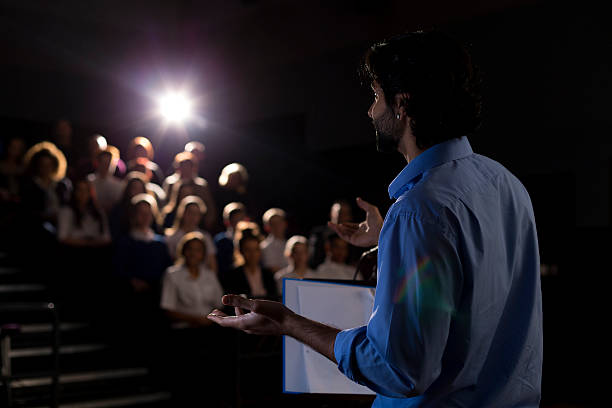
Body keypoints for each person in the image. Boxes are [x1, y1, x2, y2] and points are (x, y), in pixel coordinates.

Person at [208, 31, 542, 407]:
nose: (370, 110)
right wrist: (392, 241)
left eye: (376, 96)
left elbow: (398, 370)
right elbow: (474, 279)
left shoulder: (419, 210)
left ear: (402, 104)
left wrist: (287, 323)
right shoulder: (506, 183)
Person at [160, 231, 223, 328]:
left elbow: (219, 303)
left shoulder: (209, 275)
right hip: (184, 327)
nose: (193, 254)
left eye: (198, 250)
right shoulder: (172, 274)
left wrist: (210, 319)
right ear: (183, 251)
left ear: (203, 254)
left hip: (209, 327)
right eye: (190, 249)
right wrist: (195, 320)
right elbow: (168, 309)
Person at [220, 224, 277, 300]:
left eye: (255, 250)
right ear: (241, 251)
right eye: (248, 250)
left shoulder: (268, 274)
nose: (252, 254)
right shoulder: (232, 276)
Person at [164, 195, 218, 272]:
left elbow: (212, 263)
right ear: (182, 213)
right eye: (190, 212)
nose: (193, 217)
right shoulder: (171, 237)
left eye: (196, 213)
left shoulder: (205, 236)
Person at [57, 178, 111, 247]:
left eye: (86, 190)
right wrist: (85, 243)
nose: (83, 194)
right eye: (80, 190)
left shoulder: (98, 212)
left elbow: (106, 237)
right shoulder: (66, 211)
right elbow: (62, 237)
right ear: (74, 192)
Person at [214, 202, 247, 276]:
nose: (238, 222)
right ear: (227, 221)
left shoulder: (249, 238)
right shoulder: (221, 240)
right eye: (235, 218)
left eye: (240, 218)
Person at [87, 148, 123, 214]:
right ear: (97, 163)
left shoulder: (118, 184)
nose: (106, 166)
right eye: (103, 163)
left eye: (108, 163)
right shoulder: (89, 181)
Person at [260, 207, 289, 272]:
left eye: (279, 222)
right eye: (273, 223)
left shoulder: (290, 244)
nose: (277, 226)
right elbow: (272, 269)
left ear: (285, 224)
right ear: (266, 227)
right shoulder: (264, 247)